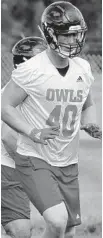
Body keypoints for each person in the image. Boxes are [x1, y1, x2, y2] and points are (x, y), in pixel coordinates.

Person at [1, 2, 102, 238]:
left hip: (63, 162)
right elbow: (7, 134)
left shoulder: (82, 69)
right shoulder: (25, 80)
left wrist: (90, 123)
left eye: (75, 34)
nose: (72, 40)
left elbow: (87, 104)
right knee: (27, 229)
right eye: (66, 35)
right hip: (20, 163)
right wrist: (36, 139)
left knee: (67, 229)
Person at [1, 36, 47, 238]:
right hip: (8, 167)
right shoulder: (19, 92)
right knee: (20, 231)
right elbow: (8, 137)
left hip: (14, 167)